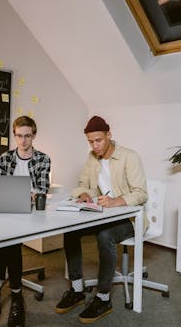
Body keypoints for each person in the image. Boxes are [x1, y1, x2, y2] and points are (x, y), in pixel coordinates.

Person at [55, 116, 148, 324]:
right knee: (70, 229)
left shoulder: (129, 157)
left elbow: (141, 194)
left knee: (105, 237)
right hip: (103, 214)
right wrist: (84, 194)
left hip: (130, 219)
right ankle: (77, 289)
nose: (95, 146)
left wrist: (117, 201)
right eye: (90, 141)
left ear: (109, 135)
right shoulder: (92, 157)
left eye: (99, 140)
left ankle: (104, 297)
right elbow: (81, 184)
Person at [0, 115, 51, 327]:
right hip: (7, 211)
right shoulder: (4, 159)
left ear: (34, 135)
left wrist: (29, 195)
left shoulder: (43, 159)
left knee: (8, 240)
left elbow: (42, 190)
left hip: (30, 214)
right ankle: (16, 295)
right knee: (8, 239)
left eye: (27, 136)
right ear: (14, 135)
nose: (23, 141)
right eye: (19, 136)